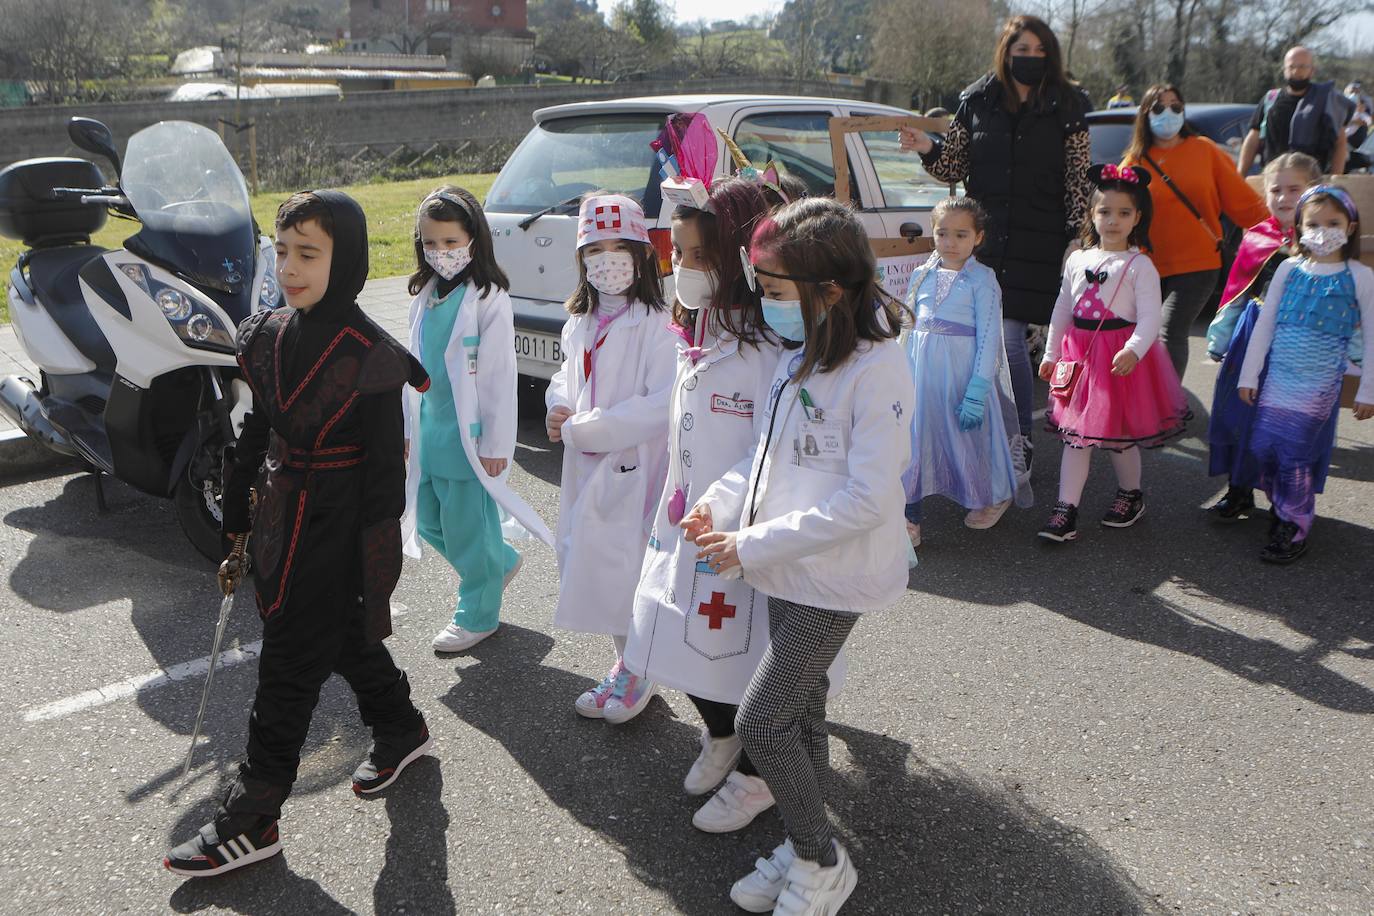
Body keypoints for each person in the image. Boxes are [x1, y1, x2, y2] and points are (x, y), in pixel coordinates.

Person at [164, 191, 433, 877]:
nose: (289, 268)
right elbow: (261, 422)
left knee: (287, 666)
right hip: (282, 516)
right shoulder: (267, 333)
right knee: (337, 637)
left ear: (347, 259)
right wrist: (237, 503)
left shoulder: (373, 357)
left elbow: (385, 480)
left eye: (308, 254)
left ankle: (253, 816)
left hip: (339, 529)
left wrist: (375, 575)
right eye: (282, 251)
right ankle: (400, 725)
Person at [687, 198, 913, 915]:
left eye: (777, 290)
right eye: (762, 287)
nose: (766, 303)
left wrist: (747, 544)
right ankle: (802, 839)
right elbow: (763, 456)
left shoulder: (877, 368)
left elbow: (868, 500)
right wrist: (717, 505)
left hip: (835, 578)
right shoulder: (798, 354)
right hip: (785, 567)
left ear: (831, 289)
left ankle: (821, 861)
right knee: (803, 715)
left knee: (761, 721)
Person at [622, 175, 786, 834]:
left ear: (741, 257)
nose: (683, 267)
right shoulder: (696, 329)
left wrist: (727, 506)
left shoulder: (771, 347)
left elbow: (771, 447)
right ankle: (720, 733)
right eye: (678, 253)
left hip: (739, 530)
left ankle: (757, 770)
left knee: (741, 653)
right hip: (683, 520)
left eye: (699, 255)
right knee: (667, 633)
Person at [898, 14, 1093, 466]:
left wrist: (1076, 237)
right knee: (981, 342)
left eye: (1039, 50)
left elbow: (1078, 178)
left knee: (1007, 339)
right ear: (1006, 52)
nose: (1030, 58)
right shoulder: (976, 100)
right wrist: (927, 147)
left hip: (1039, 242)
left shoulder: (1068, 104)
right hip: (984, 240)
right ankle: (978, 436)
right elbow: (953, 165)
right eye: (1021, 50)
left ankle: (1018, 438)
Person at [399, 187, 553, 654]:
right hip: (430, 432)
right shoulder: (426, 295)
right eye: (430, 243)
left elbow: (499, 379)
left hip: (468, 439)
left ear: (473, 240)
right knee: (428, 520)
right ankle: (496, 562)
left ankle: (478, 613)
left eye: (451, 242)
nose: (441, 252)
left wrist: (496, 445)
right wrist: (406, 432)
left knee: (468, 529)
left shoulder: (487, 298)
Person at [546, 193, 677, 722]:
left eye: (618, 248)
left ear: (643, 254)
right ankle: (627, 660)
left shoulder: (658, 322)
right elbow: (566, 376)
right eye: (594, 250)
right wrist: (557, 406)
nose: (606, 261)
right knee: (595, 563)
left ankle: (639, 669)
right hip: (587, 463)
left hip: (635, 467)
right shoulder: (579, 320)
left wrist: (585, 429)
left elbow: (661, 404)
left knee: (629, 567)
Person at [1037, 165, 1190, 543]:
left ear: (1137, 217)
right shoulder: (1077, 259)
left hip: (1118, 359)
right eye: (1105, 211)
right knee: (1076, 436)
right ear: (1092, 214)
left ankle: (1130, 494)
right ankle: (1065, 508)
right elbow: (1062, 308)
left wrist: (1134, 350)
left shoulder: (1141, 265)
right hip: (1079, 355)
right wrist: (1050, 352)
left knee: (1120, 436)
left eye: (1123, 213)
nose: (1113, 220)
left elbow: (1151, 317)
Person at [1236, 185, 1374, 562]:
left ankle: (1293, 525)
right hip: (1278, 379)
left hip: (1318, 385)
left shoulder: (1360, 276)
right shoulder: (1288, 268)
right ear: (1298, 227)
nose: (1323, 231)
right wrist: (1249, 376)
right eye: (1313, 223)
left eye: (1333, 223)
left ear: (1350, 227)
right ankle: (1283, 504)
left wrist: (1368, 391)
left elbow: (1372, 335)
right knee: (1264, 447)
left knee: (1293, 451)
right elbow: (1265, 324)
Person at [901, 197, 1031, 547]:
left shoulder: (982, 279)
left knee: (969, 439)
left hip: (962, 378)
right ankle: (910, 516)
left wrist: (977, 389)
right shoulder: (920, 274)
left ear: (978, 237)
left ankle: (991, 495)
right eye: (942, 233)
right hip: (922, 379)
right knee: (914, 440)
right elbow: (906, 328)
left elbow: (989, 337)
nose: (950, 242)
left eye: (961, 235)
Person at [1122, 83, 1270, 377]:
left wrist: (1283, 229)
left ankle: (1168, 399)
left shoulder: (1204, 150)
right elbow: (1115, 212)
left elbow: (1243, 202)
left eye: (1176, 107)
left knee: (1170, 330)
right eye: (1159, 108)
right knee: (1141, 336)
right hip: (1147, 266)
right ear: (1145, 114)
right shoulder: (1134, 162)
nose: (1168, 113)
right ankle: (1147, 396)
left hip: (1199, 264)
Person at [1205, 152, 1322, 521]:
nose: (1284, 197)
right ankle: (1239, 489)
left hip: (1299, 343)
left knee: (1287, 422)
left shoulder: (1323, 239)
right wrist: (1220, 337)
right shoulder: (1258, 236)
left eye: (1294, 189)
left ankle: (1286, 501)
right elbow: (1236, 292)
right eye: (1275, 190)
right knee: (1241, 415)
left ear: (1314, 190)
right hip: (1252, 335)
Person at [1237, 46, 1350, 175]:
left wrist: (1335, 179)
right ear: (1284, 70)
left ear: (1312, 70)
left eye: (1302, 67)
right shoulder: (1270, 99)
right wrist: (1239, 175)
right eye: (1291, 67)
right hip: (1273, 178)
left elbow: (1340, 143)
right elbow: (1253, 139)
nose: (1296, 71)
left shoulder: (1326, 100)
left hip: (1312, 180)